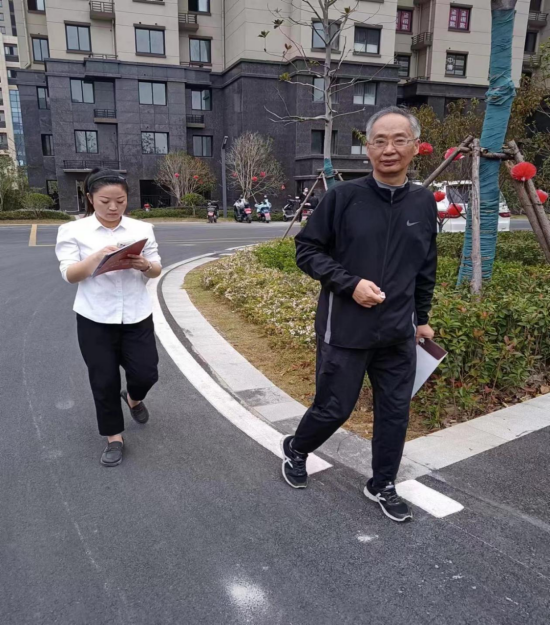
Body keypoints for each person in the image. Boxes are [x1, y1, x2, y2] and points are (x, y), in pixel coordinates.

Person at [281, 107, 437, 523]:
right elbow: (306, 250)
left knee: (395, 413)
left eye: (399, 140)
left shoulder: (423, 201)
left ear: (415, 147)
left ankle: (382, 482)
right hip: (346, 329)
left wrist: (421, 317)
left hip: (398, 332)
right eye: (379, 141)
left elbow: (426, 265)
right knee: (334, 407)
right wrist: (350, 284)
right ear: (367, 149)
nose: (389, 149)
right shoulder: (343, 197)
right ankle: (297, 448)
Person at [55, 169, 162, 467]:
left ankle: (134, 398)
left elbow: (156, 268)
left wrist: (144, 264)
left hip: (137, 315)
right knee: (103, 380)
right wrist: (97, 257)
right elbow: (69, 274)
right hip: (94, 317)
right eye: (105, 201)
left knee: (146, 373)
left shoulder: (142, 228)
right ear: (90, 198)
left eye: (120, 201)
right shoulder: (73, 231)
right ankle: (114, 437)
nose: (113, 207)